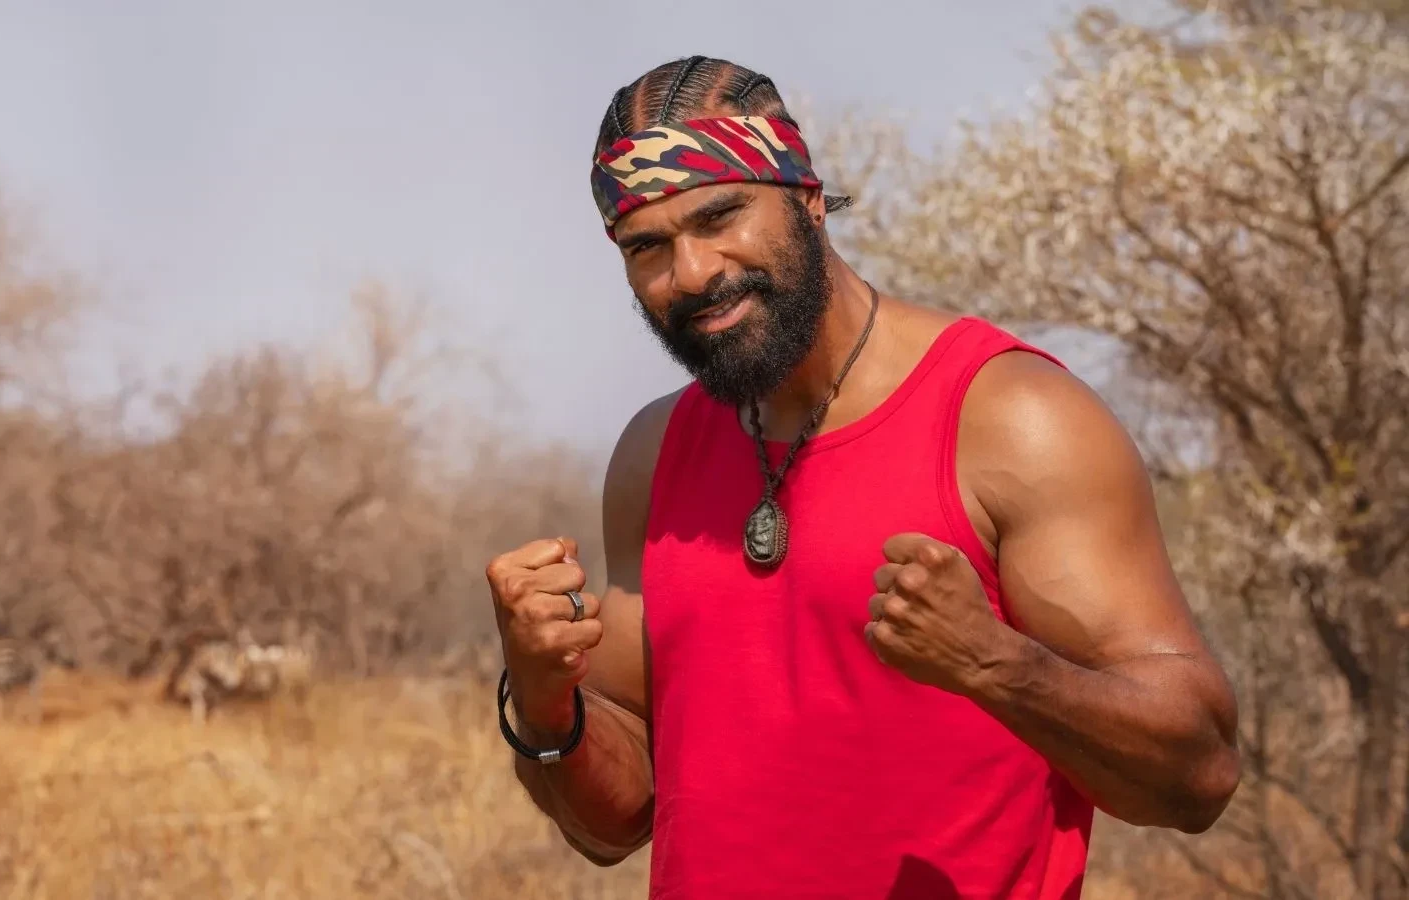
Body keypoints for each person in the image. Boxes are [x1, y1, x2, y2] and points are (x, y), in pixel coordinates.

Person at [484, 55, 1241, 899]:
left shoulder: (1009, 418)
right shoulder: (652, 454)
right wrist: (548, 707)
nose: (692, 272)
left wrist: (997, 665)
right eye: (649, 247)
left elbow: (1199, 774)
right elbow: (616, 823)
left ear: (807, 199)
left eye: (722, 214)